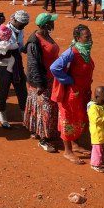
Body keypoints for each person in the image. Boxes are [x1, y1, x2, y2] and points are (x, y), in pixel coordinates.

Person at [50, 24, 96, 164]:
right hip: (72, 93)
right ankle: (68, 151)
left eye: (90, 36)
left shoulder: (85, 51)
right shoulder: (71, 53)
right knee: (68, 119)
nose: (90, 39)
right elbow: (54, 68)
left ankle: (75, 144)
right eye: (87, 36)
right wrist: (69, 80)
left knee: (80, 117)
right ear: (77, 38)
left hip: (83, 92)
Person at [24, 12, 61, 152]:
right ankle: (43, 140)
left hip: (51, 78)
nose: (54, 23)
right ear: (46, 25)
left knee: (45, 107)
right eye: (52, 21)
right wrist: (39, 83)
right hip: (41, 80)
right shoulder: (34, 42)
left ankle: (39, 131)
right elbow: (32, 64)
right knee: (45, 108)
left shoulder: (45, 35)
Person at [0, 10, 30, 128]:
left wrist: (22, 49)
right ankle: (3, 117)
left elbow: (19, 45)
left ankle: (25, 118)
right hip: (3, 67)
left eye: (25, 24)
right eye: (21, 24)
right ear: (15, 20)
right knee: (3, 92)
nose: (23, 26)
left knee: (22, 92)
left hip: (17, 66)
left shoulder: (20, 30)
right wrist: (4, 52)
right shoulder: (3, 30)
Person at [85, 86, 104, 171]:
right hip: (97, 133)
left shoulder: (100, 105)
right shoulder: (93, 108)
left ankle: (101, 160)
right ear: (96, 97)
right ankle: (95, 164)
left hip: (102, 132)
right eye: (103, 100)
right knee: (97, 149)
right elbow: (97, 120)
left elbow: (103, 111)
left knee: (101, 147)